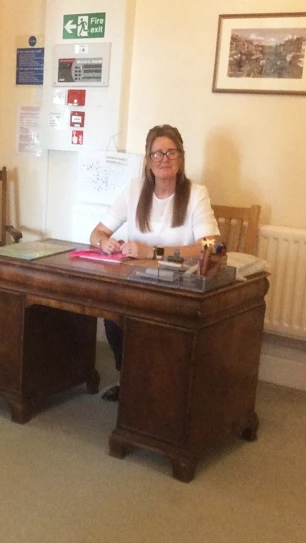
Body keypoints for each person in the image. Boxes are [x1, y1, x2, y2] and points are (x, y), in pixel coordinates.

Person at [88, 124, 220, 402]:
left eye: (171, 152)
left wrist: (155, 252)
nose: (164, 159)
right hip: (136, 281)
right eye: (157, 154)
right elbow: (96, 232)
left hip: (178, 284)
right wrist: (104, 242)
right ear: (148, 161)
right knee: (113, 315)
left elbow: (213, 246)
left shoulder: (196, 194)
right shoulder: (135, 190)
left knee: (155, 323)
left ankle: (161, 387)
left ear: (181, 158)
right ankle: (130, 379)